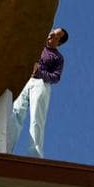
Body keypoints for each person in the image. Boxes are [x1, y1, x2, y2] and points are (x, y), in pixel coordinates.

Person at [8, 27, 68, 158]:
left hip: (41, 84)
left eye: (56, 36)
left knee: (36, 118)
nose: (52, 35)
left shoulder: (58, 57)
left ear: (59, 43)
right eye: (53, 32)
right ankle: (6, 150)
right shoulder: (38, 46)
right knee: (16, 112)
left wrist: (39, 72)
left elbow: (56, 77)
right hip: (26, 80)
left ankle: (34, 155)